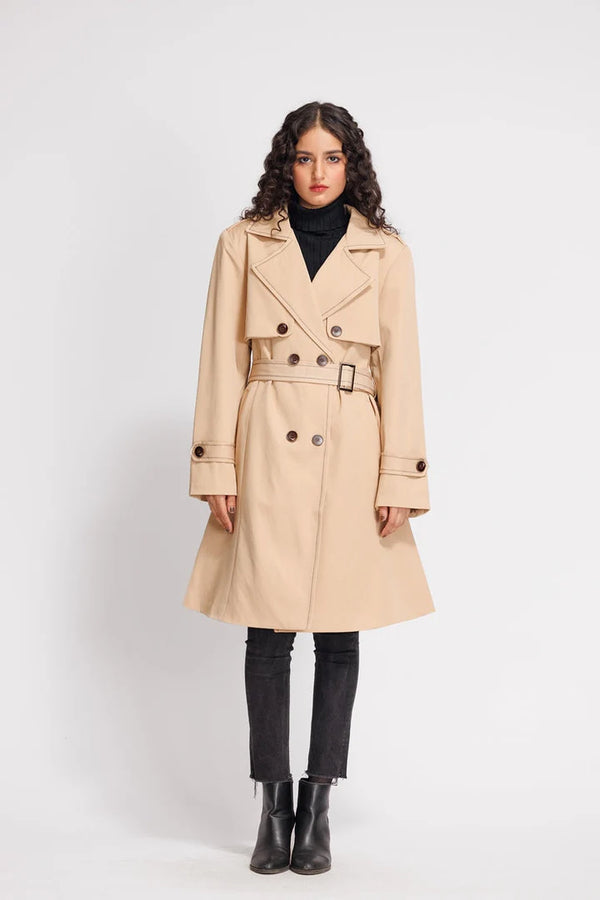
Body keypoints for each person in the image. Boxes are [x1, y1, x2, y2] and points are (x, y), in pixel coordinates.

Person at [183, 101, 435, 875]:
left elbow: (404, 368)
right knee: (267, 630)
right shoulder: (243, 243)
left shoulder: (385, 252)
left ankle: (319, 803)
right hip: (266, 439)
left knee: (338, 628)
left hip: (353, 444)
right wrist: (216, 466)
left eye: (331, 157)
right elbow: (220, 359)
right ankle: (273, 803)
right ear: (284, 163)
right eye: (303, 157)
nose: (317, 172)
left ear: (351, 165)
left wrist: (401, 474)